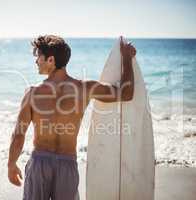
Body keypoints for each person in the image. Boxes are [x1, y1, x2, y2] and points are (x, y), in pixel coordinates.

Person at [8, 35, 136, 200]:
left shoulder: (32, 93)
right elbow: (126, 93)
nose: (36, 61)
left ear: (51, 60)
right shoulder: (85, 88)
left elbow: (19, 134)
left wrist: (11, 164)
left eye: (38, 56)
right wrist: (127, 58)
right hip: (67, 164)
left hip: (40, 163)